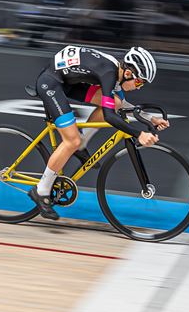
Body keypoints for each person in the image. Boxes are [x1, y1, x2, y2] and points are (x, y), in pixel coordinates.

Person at [31, 46, 168, 220]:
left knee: (116, 101)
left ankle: (82, 145)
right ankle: (41, 190)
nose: (139, 87)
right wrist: (138, 134)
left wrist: (151, 118)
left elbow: (121, 104)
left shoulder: (116, 72)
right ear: (128, 74)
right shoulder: (108, 73)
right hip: (51, 82)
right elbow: (110, 117)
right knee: (70, 141)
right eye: (139, 82)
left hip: (68, 81)